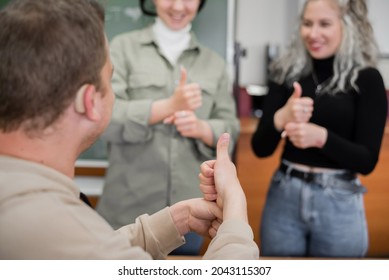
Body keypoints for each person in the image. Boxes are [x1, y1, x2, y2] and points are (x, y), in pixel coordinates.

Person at [0, 0, 259, 260]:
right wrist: (235, 207)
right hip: (128, 201)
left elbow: (100, 251)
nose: (179, 5)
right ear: (91, 101)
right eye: (110, 82)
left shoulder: (39, 216)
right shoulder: (73, 231)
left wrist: (177, 219)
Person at [96, 0, 240, 254]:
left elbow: (231, 128)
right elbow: (103, 119)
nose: (178, 6)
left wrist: (199, 127)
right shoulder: (121, 49)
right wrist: (169, 106)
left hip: (190, 214)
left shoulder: (214, 63)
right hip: (127, 209)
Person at [251, 0, 388, 257]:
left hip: (339, 200)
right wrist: (281, 117)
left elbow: (367, 161)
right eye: (307, 24)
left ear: (348, 27)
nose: (313, 34)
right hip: (284, 195)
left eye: (324, 24)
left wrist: (321, 138)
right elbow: (260, 148)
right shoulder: (286, 73)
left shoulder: (367, 79)